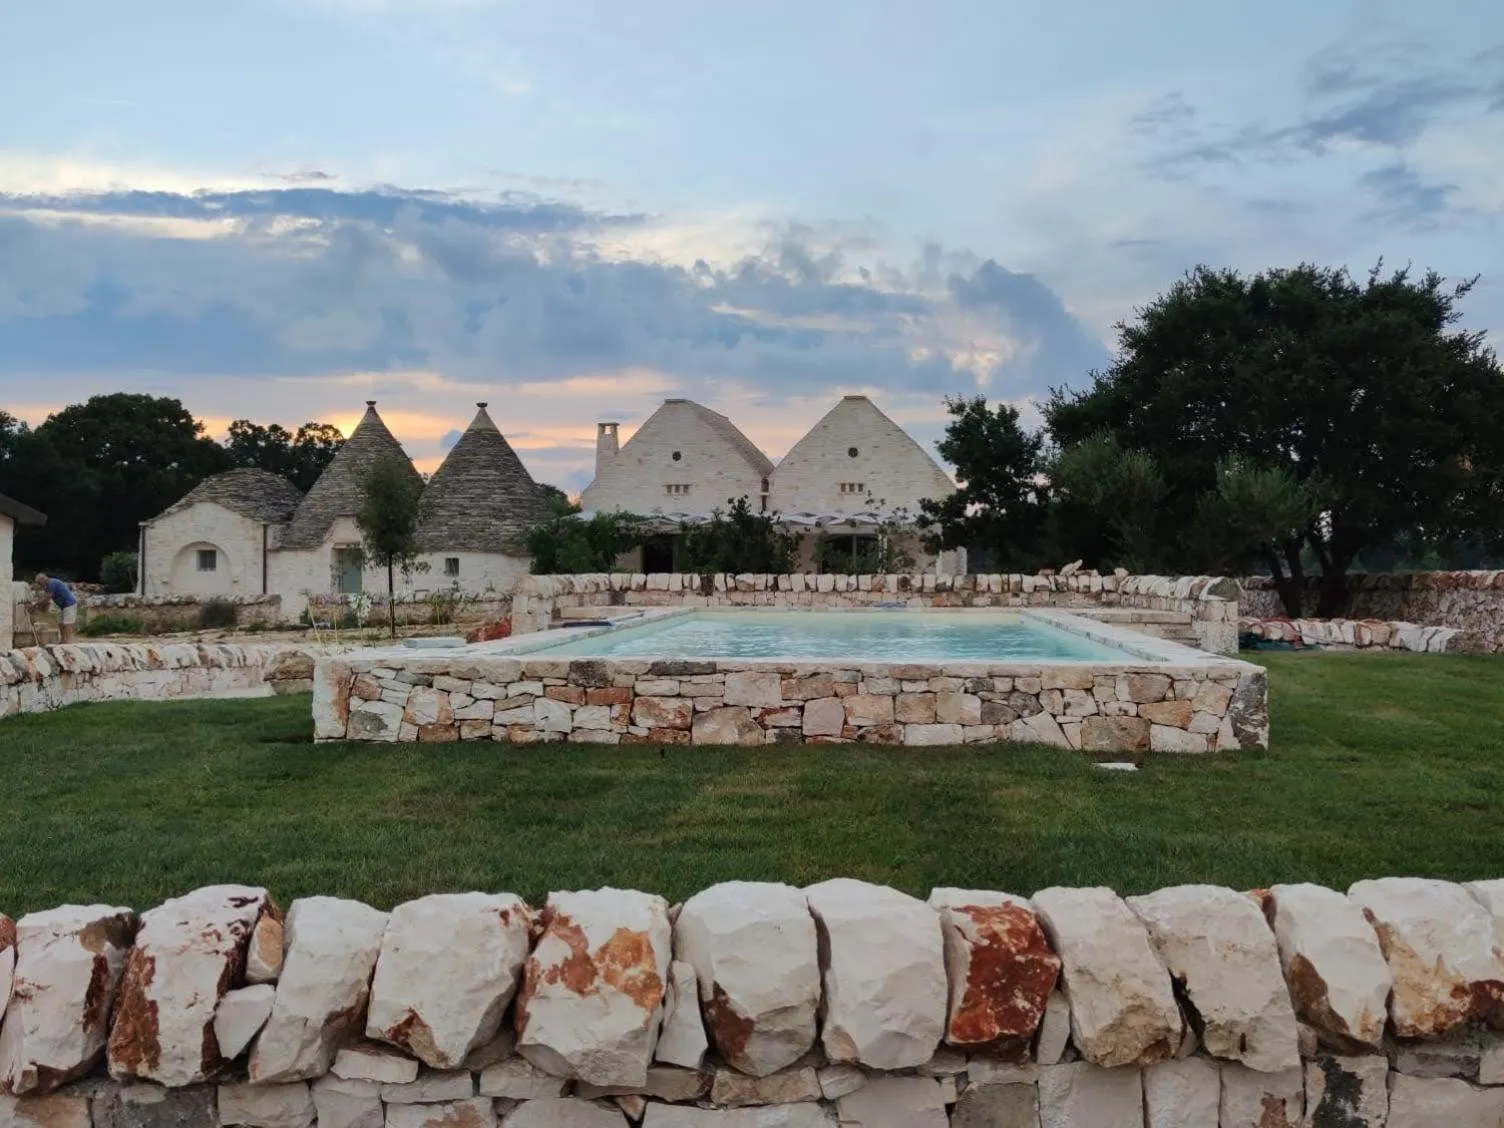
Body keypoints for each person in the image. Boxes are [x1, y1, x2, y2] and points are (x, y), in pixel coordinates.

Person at [34, 573, 78, 643]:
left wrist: (36, 604)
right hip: (63, 606)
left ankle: (69, 640)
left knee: (67, 623)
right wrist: (41, 606)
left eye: (39, 583)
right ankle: (63, 639)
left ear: (43, 580)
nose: (40, 585)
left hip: (69, 604)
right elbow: (46, 600)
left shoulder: (52, 583)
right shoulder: (47, 586)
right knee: (60, 623)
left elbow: (47, 598)